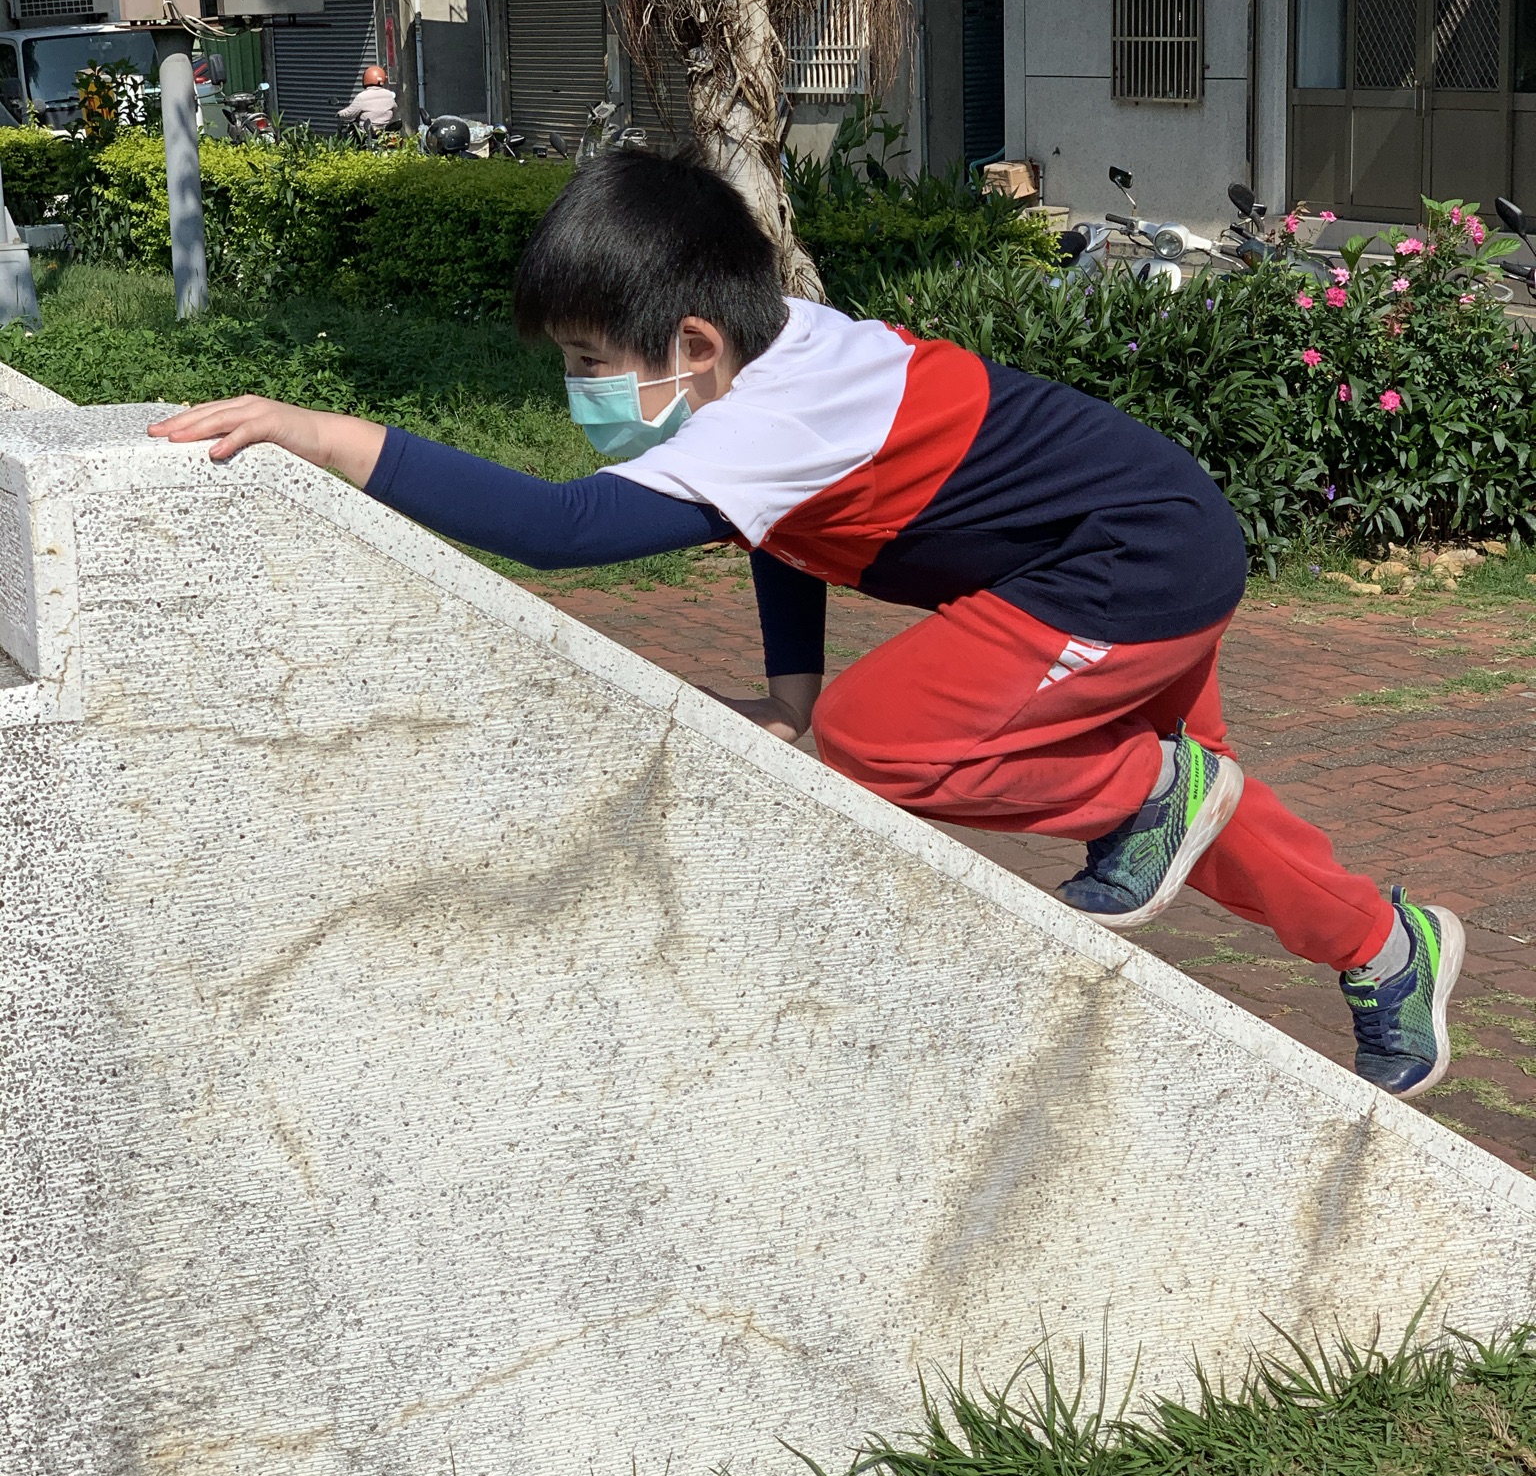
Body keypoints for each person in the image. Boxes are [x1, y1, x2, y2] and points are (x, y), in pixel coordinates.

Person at [147, 150, 1462, 1100]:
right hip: (1141, 536)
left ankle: (1150, 797)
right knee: (1193, 820)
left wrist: (322, 433)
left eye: (592, 361)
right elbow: (780, 525)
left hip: (1128, 564)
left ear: (696, 342)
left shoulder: (764, 412)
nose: (578, 387)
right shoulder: (772, 365)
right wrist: (787, 689)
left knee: (893, 737)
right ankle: (1386, 950)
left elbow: (558, 528)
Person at [336, 65, 398, 135]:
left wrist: (340, 114)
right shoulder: (389, 94)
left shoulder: (362, 97)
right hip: (385, 133)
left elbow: (350, 113)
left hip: (367, 134)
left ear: (366, 78)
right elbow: (395, 108)